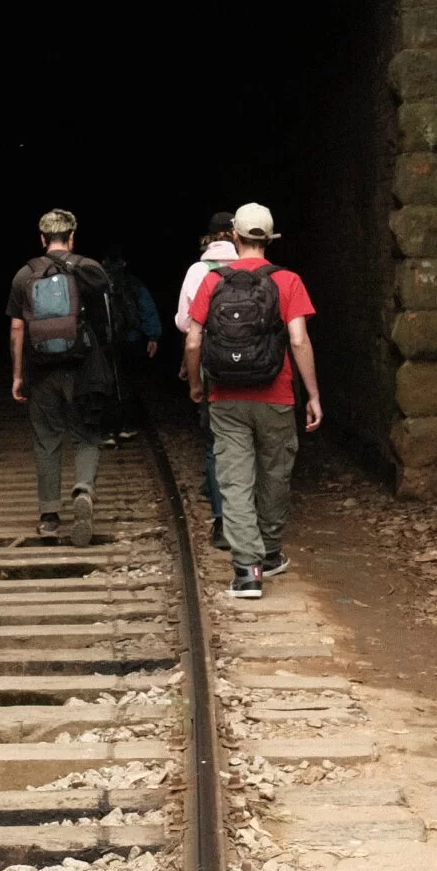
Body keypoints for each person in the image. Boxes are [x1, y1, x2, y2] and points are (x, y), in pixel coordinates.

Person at [182, 202, 321, 598]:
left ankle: (247, 571)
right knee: (275, 473)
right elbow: (298, 339)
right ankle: (271, 551)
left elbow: (193, 341)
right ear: (270, 238)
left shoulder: (213, 281)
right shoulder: (288, 281)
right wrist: (312, 394)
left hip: (225, 395)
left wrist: (197, 385)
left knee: (235, 480)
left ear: (235, 237)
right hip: (275, 395)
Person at [5, 208, 112, 545]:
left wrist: (18, 375)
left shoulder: (24, 276)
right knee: (88, 434)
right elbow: (107, 322)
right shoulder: (90, 270)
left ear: (41, 238)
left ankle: (49, 516)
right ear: (72, 237)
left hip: (41, 372)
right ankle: (83, 488)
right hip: (83, 369)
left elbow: (17, 329)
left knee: (47, 439)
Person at [173, 213, 239, 546]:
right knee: (248, 441)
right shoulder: (254, 268)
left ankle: (222, 524)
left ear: (209, 237)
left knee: (215, 443)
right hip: (255, 367)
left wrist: (192, 376)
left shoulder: (198, 272)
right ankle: (250, 518)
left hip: (211, 364)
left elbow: (186, 326)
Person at [100, 247, 162, 441]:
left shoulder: (98, 285)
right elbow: (147, 310)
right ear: (124, 263)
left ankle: (109, 430)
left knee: (107, 383)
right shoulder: (135, 284)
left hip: (106, 343)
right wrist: (153, 337)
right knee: (129, 382)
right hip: (131, 340)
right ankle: (127, 425)